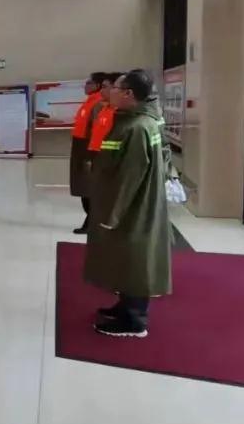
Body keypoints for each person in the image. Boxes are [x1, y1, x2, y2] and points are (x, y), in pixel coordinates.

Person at [85, 69, 172, 338]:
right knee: (125, 258)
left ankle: (134, 320)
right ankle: (125, 306)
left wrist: (112, 213)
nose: (109, 91)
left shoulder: (136, 128)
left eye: (115, 88)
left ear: (128, 94)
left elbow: (128, 177)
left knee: (135, 257)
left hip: (133, 208)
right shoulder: (134, 121)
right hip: (132, 204)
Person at [71, 72, 107, 234]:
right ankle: (92, 220)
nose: (85, 86)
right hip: (81, 148)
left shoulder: (98, 104)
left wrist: (91, 156)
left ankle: (92, 221)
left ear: (97, 86)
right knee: (83, 187)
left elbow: (97, 132)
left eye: (89, 83)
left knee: (88, 188)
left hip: (88, 150)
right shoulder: (89, 102)